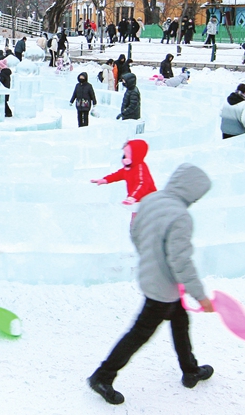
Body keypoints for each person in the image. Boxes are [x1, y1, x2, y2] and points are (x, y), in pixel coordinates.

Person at [88, 165, 215, 406]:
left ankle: (190, 371)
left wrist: (150, 259)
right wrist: (200, 296)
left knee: (180, 322)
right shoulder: (180, 215)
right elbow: (180, 261)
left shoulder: (151, 199)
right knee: (139, 333)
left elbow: (136, 232)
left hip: (152, 277)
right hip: (162, 289)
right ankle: (102, 376)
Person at [91, 139, 157, 206]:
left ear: (136, 155)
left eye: (127, 154)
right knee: (136, 215)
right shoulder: (129, 168)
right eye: (124, 154)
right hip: (137, 202)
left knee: (145, 215)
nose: (124, 158)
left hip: (149, 201)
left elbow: (142, 183)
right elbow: (117, 175)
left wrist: (132, 197)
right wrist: (105, 180)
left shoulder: (140, 168)